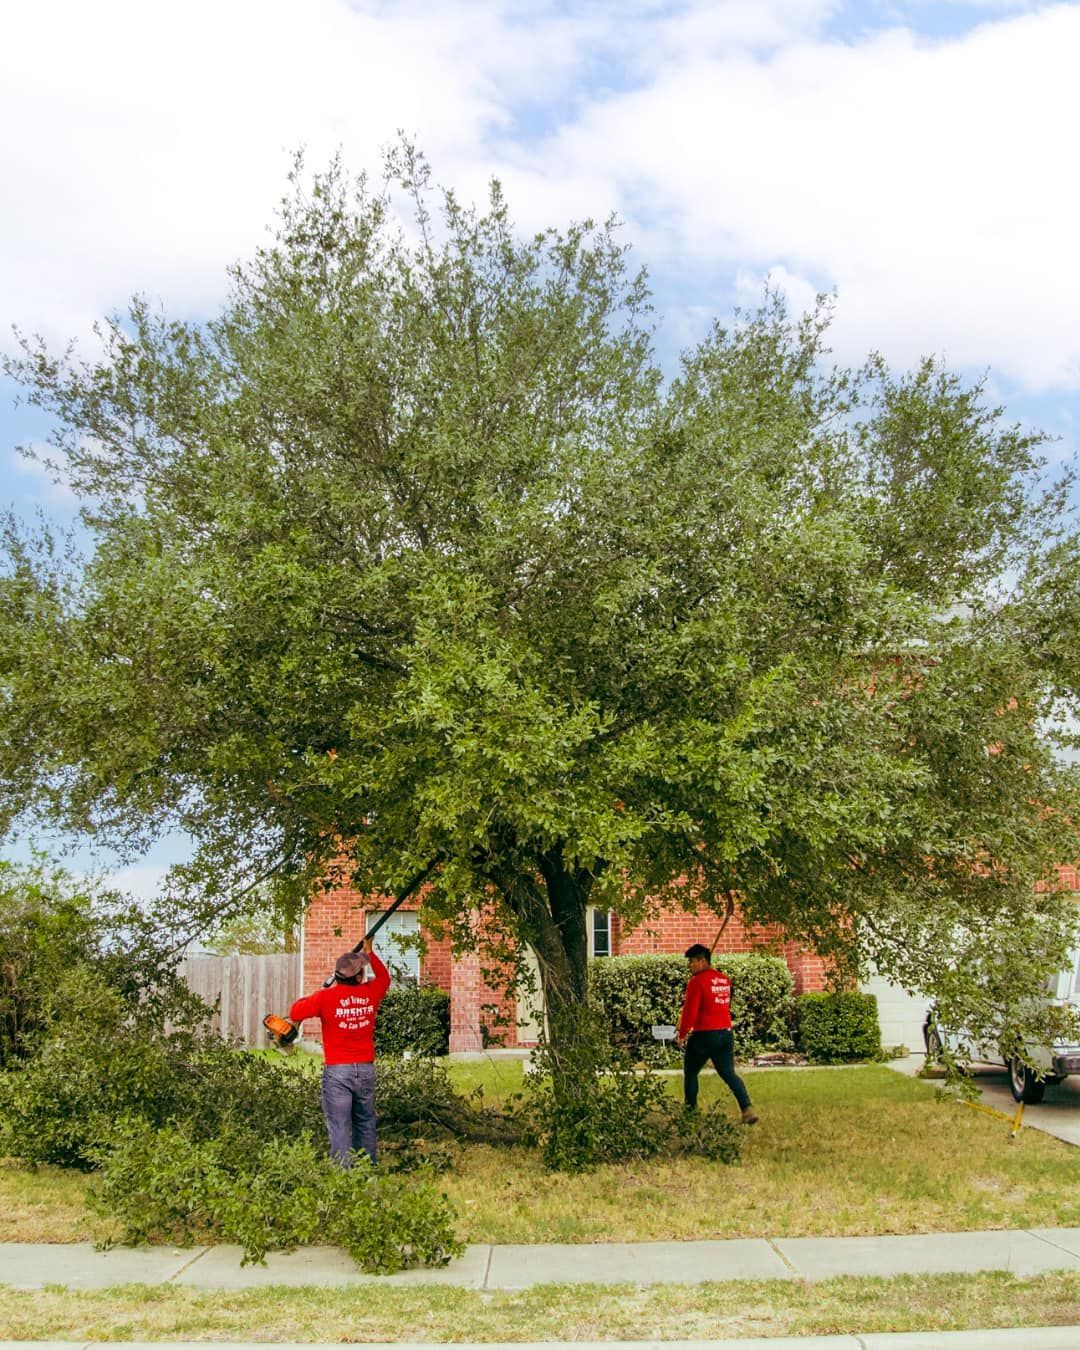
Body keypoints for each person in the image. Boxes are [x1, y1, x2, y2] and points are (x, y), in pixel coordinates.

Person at [289, 936, 391, 1165]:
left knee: (339, 1124)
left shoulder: (325, 998)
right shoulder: (371, 993)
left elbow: (295, 1012)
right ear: (358, 977)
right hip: (365, 1068)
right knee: (365, 1119)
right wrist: (370, 952)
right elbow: (385, 978)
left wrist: (314, 996)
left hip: (337, 1071)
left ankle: (344, 1174)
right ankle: (367, 1165)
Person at [677, 942, 758, 1124]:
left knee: (690, 1072)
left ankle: (690, 1112)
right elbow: (725, 1004)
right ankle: (747, 1109)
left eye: (692, 962)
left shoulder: (696, 982)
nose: (689, 966)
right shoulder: (724, 980)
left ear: (702, 961)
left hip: (704, 1034)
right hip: (725, 1032)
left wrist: (682, 1034)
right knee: (728, 1072)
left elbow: (691, 1012)